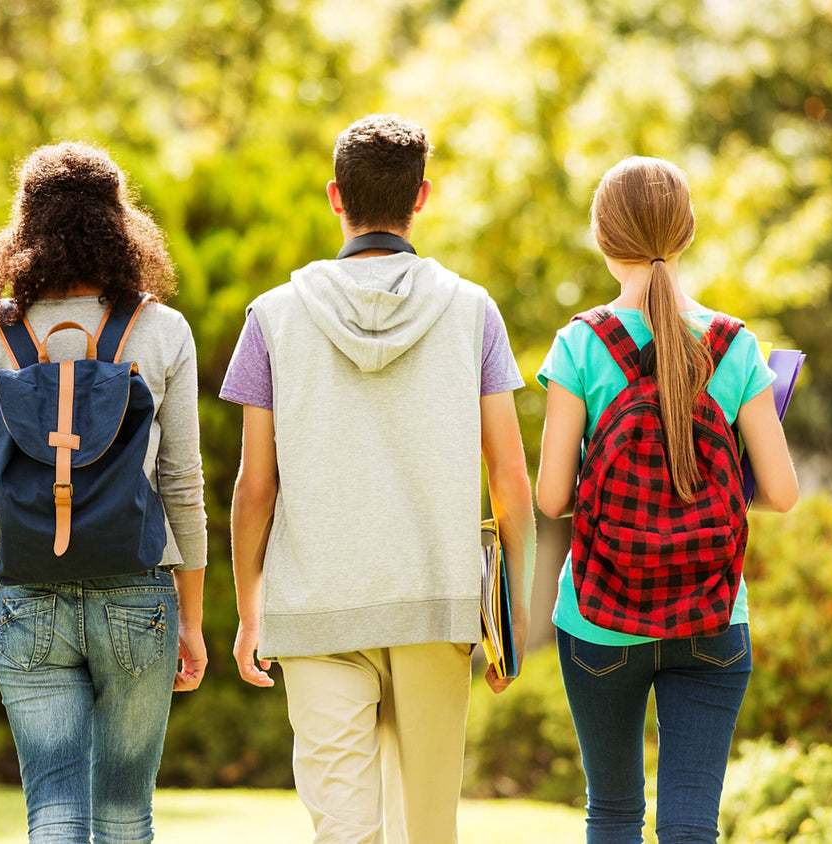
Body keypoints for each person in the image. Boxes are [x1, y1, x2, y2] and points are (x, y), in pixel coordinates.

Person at [222, 113, 535, 844]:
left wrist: (249, 609)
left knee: (345, 831)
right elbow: (510, 474)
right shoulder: (472, 311)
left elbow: (254, 487)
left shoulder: (272, 318)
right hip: (436, 605)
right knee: (428, 831)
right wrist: (510, 618)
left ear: (336, 196)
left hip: (317, 606)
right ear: (421, 196)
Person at [535, 156, 799, 844]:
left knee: (615, 812)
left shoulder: (580, 345)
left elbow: (552, 495)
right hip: (713, 616)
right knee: (689, 826)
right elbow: (783, 491)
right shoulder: (734, 346)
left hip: (600, 619)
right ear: (685, 235)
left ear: (602, 237)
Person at [0, 141, 207, 843]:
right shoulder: (160, 331)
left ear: (23, 225)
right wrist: (192, 617)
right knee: (126, 813)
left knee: (54, 808)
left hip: (28, 596)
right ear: (120, 223)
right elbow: (183, 482)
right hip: (137, 593)